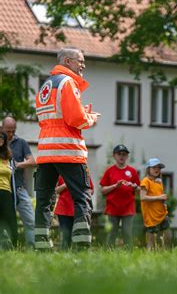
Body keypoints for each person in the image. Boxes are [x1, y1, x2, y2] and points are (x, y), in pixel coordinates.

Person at [34, 47, 100, 250]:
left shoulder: (46, 86)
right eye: (80, 61)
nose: (83, 65)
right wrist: (91, 118)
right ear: (68, 61)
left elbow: (51, 118)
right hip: (68, 151)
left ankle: (42, 247)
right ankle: (81, 246)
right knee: (82, 197)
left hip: (46, 152)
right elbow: (75, 119)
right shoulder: (68, 82)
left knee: (44, 201)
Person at [2, 116, 36, 248]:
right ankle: (6, 249)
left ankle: (32, 250)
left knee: (31, 221)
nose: (10, 134)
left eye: (13, 131)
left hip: (19, 189)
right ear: (2, 128)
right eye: (8, 131)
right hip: (4, 190)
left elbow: (32, 161)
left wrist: (19, 164)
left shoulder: (21, 142)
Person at [100, 144, 140, 249]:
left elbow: (140, 190)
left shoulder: (132, 171)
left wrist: (134, 186)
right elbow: (103, 190)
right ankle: (108, 253)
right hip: (113, 207)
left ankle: (129, 254)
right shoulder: (109, 171)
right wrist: (114, 186)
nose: (121, 157)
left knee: (127, 232)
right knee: (112, 233)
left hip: (128, 207)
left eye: (124, 154)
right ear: (114, 156)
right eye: (119, 154)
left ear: (127, 157)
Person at [54, 176, 94, 250]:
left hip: (80, 210)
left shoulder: (83, 172)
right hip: (64, 210)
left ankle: (79, 254)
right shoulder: (61, 172)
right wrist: (65, 185)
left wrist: (82, 191)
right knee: (66, 236)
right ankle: (64, 255)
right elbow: (55, 191)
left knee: (80, 236)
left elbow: (91, 190)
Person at [140, 158, 171, 251]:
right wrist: (159, 197)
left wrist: (163, 200)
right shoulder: (145, 181)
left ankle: (164, 256)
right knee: (151, 242)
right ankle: (148, 258)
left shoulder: (158, 182)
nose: (157, 169)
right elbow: (143, 197)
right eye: (154, 167)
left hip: (162, 214)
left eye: (158, 167)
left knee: (167, 237)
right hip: (151, 216)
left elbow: (158, 197)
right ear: (148, 169)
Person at [0, 131, 18, 249]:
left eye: (2, 138)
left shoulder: (8, 158)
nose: (0, 139)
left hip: (6, 193)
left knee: (11, 223)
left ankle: (12, 248)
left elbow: (13, 179)